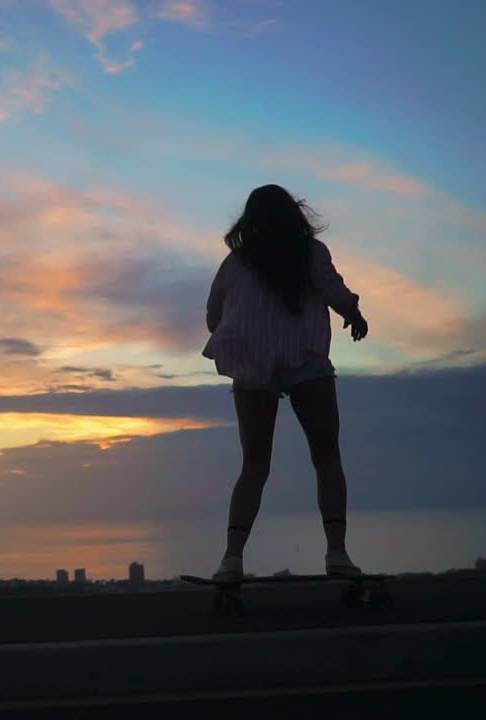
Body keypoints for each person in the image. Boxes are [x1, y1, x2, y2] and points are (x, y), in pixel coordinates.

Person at [203, 184, 369, 582]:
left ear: (250, 221)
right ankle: (337, 553)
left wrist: (245, 337)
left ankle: (231, 559)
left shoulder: (236, 263)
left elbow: (213, 315)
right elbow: (334, 291)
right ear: (293, 214)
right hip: (305, 358)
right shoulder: (310, 252)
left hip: (251, 365)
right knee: (326, 456)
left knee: (254, 464)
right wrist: (354, 315)